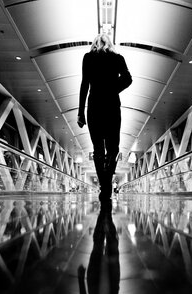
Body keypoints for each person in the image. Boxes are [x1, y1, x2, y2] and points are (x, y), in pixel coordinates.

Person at [77, 33, 132, 201]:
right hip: (112, 107)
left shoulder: (88, 58)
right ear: (110, 44)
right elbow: (128, 79)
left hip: (94, 107)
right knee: (113, 148)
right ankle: (108, 182)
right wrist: (112, 89)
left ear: (94, 44)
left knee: (98, 150)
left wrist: (80, 112)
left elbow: (84, 84)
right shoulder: (117, 58)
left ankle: (104, 185)